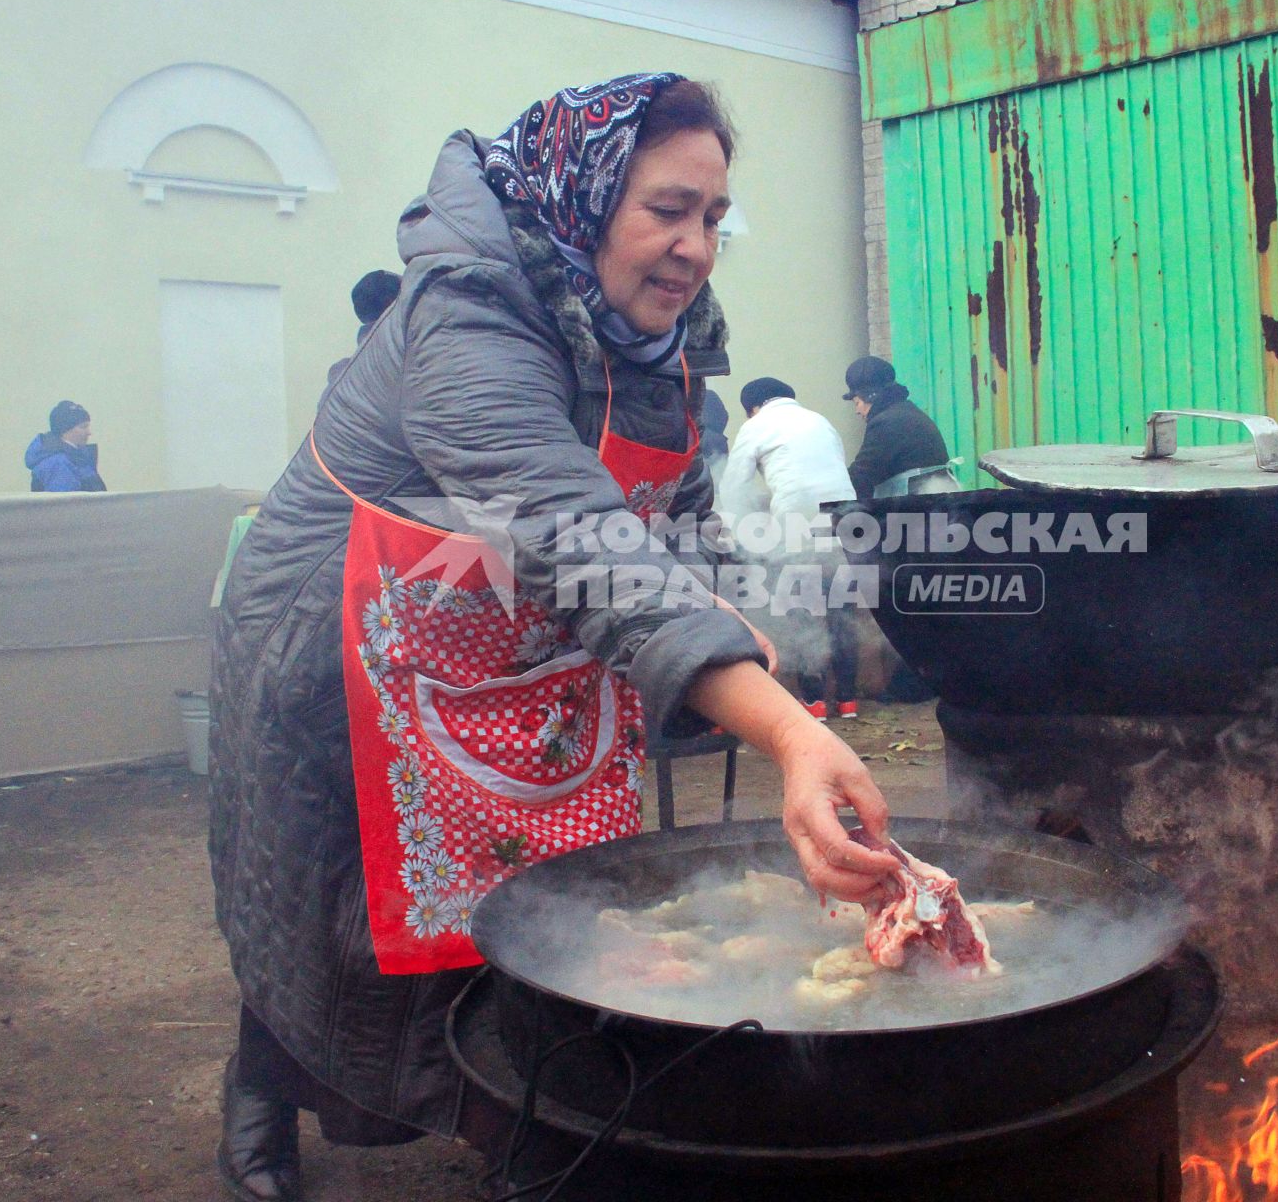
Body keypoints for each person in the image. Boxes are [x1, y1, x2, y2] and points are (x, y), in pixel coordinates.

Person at [208, 74, 896, 1202]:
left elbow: (670, 521)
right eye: (667, 209)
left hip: (517, 642)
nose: (694, 246)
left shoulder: (661, 341)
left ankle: (523, 1130)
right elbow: (572, 528)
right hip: (345, 638)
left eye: (715, 218)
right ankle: (259, 1100)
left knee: (544, 899)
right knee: (341, 909)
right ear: (583, 200)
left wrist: (754, 630)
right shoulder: (466, 314)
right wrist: (779, 730)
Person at [719, 377, 859, 720]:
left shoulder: (756, 426)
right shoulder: (820, 421)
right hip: (844, 519)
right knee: (839, 605)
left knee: (801, 608)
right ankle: (848, 700)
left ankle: (813, 702)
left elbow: (734, 488)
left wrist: (740, 534)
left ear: (752, 407)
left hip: (797, 521)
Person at [842, 355, 950, 500]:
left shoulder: (886, 424)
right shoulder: (906, 412)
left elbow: (862, 476)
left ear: (871, 396)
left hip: (918, 511)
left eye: (857, 402)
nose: (857, 411)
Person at [25, 401, 106, 492]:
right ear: (65, 430)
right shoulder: (57, 463)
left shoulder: (76, 459)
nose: (89, 432)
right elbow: (65, 504)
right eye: (83, 427)